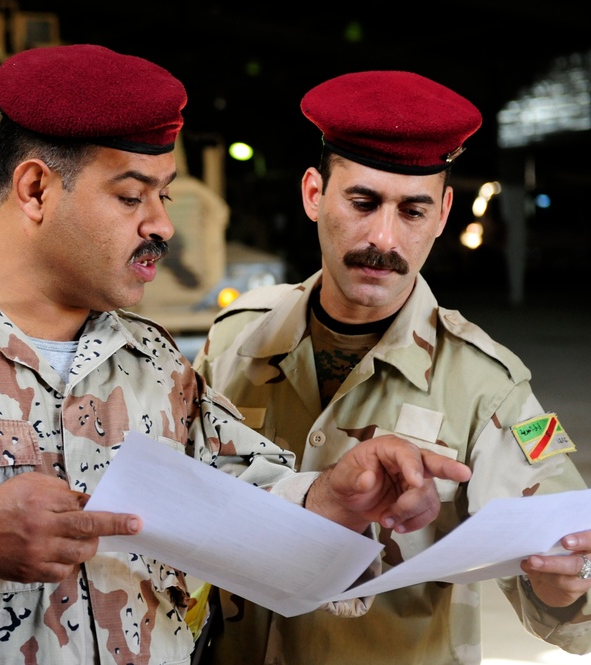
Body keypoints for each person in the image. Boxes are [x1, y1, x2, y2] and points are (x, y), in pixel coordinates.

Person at [0, 46, 471, 664]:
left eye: (164, 193)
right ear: (36, 190)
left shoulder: (153, 363)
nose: (163, 223)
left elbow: (247, 497)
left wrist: (334, 494)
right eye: (133, 196)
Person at [194, 69, 591, 664]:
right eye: (362, 202)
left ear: (442, 214)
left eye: (412, 211)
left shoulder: (488, 385)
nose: (383, 238)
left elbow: (566, 569)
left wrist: (565, 587)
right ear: (312, 195)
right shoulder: (234, 338)